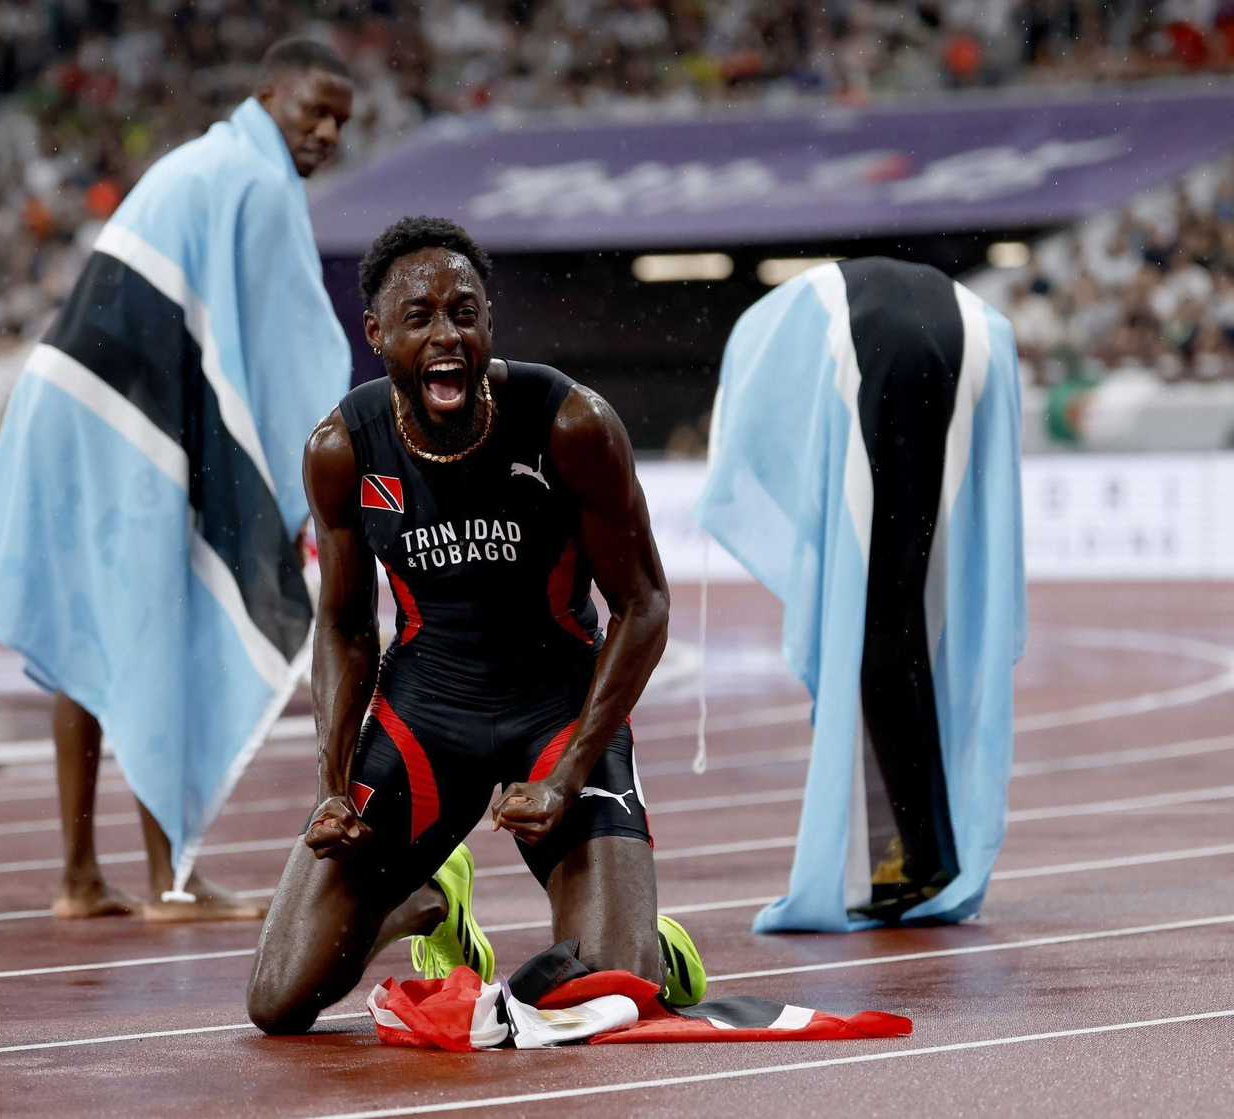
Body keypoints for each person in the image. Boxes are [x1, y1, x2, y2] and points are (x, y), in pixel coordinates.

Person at [245, 216, 703, 1034]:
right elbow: (347, 624)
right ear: (377, 333)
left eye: (465, 311)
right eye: (418, 317)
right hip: (425, 715)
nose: (446, 334)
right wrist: (330, 787)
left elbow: (645, 606)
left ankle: (646, 943)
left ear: (490, 323)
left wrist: (568, 775)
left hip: (555, 712)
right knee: (278, 998)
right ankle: (422, 893)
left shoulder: (571, 424)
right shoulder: (342, 449)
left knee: (613, 995)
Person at [0, 40, 355, 921]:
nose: (325, 131)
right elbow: (286, 356)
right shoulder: (252, 181)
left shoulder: (203, 159)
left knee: (99, 626)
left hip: (70, 400)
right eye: (312, 110)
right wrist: (303, 490)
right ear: (266, 95)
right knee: (158, 624)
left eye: (339, 120)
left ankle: (80, 876)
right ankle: (173, 879)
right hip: (123, 418)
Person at [695, 257, 1026, 932]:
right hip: (980, 333)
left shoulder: (765, 345)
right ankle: (912, 846)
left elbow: (762, 453)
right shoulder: (787, 322)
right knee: (905, 614)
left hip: (884, 345)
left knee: (880, 624)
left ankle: (922, 853)